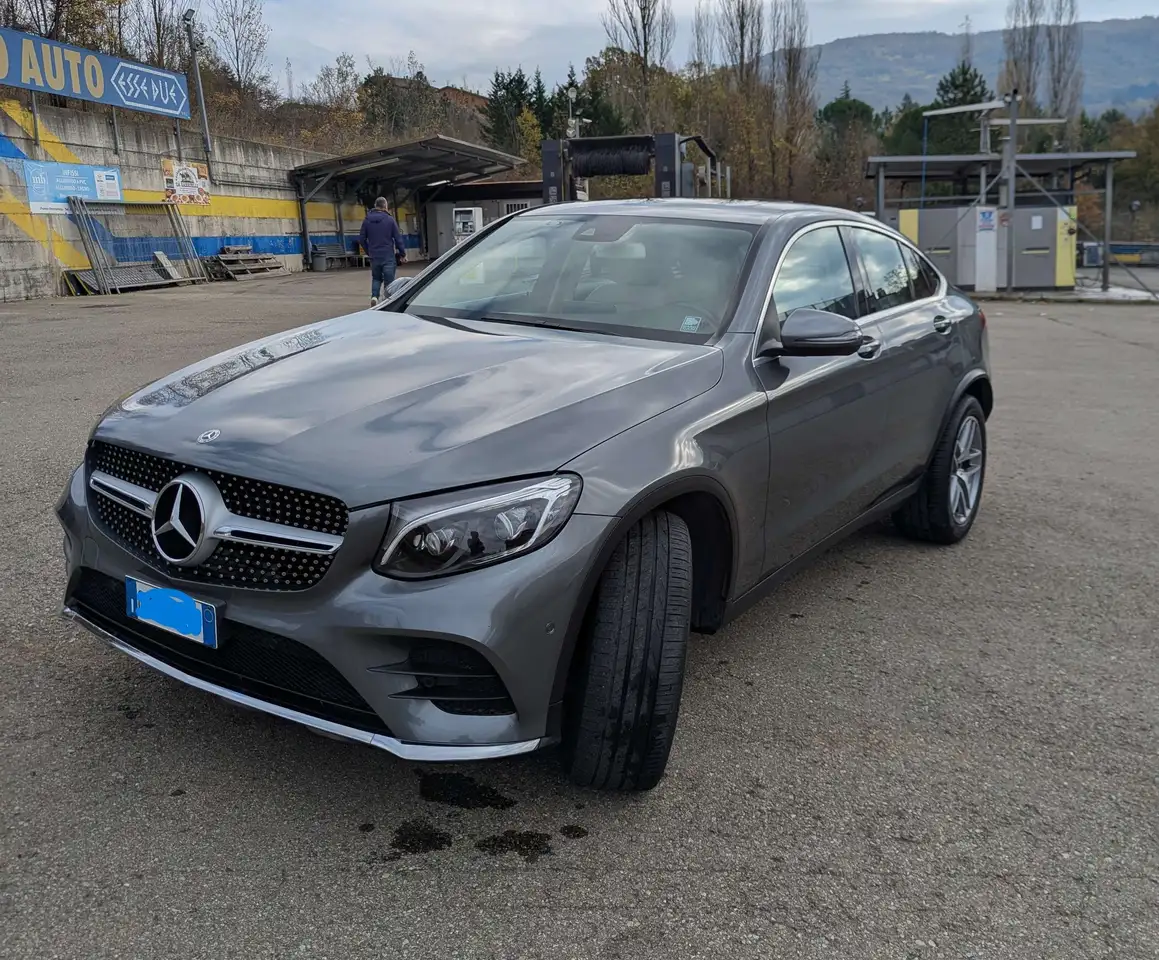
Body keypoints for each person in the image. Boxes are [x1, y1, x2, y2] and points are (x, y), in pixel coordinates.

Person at [358, 197, 407, 306]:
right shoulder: (390, 220)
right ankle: (387, 302)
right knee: (389, 281)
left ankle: (374, 297)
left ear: (375, 206)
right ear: (385, 206)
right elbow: (398, 238)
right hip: (388, 255)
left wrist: (369, 251)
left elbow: (361, 239)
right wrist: (402, 254)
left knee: (376, 278)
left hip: (374, 255)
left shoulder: (367, 220)